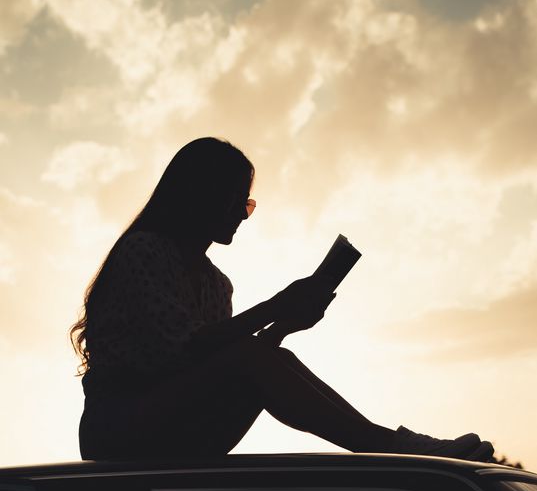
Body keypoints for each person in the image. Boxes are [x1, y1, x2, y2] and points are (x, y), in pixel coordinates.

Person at [72, 137, 493, 462]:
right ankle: (389, 446)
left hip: (181, 421)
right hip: (124, 427)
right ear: (201, 196)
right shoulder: (145, 251)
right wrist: (275, 306)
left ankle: (386, 444)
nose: (242, 214)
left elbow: (226, 369)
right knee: (253, 356)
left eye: (246, 204)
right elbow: (184, 352)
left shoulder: (218, 284)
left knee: (272, 358)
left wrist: (286, 324)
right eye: (238, 201)